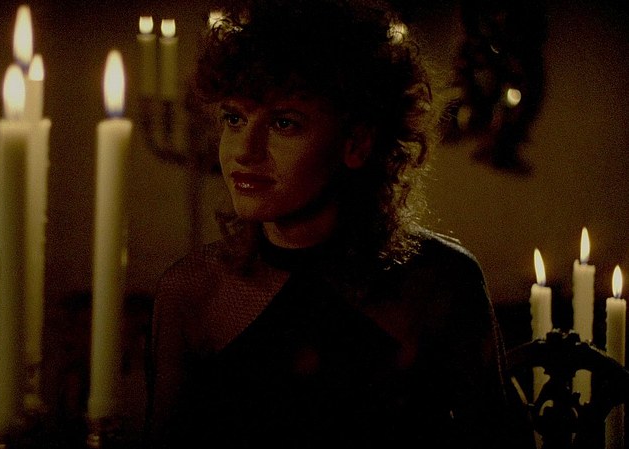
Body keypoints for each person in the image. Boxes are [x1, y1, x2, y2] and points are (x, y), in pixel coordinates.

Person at [145, 0, 533, 448]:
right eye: (235, 118)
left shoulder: (440, 283)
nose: (244, 151)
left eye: (284, 123)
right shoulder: (192, 291)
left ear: (357, 143)